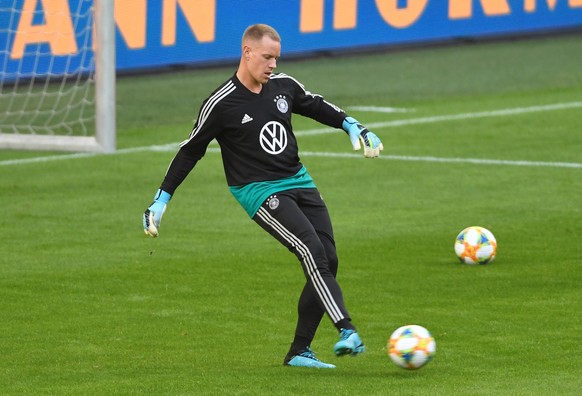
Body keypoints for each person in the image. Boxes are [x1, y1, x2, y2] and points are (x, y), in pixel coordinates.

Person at [143, 24, 383, 369]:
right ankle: (346, 329)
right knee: (309, 249)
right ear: (247, 52)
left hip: (298, 180)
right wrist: (161, 200)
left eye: (276, 58)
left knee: (329, 257)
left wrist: (352, 125)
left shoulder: (283, 86)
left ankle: (299, 352)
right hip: (258, 190)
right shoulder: (221, 102)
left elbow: (315, 105)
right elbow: (190, 151)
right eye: (267, 57)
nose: (272, 64)